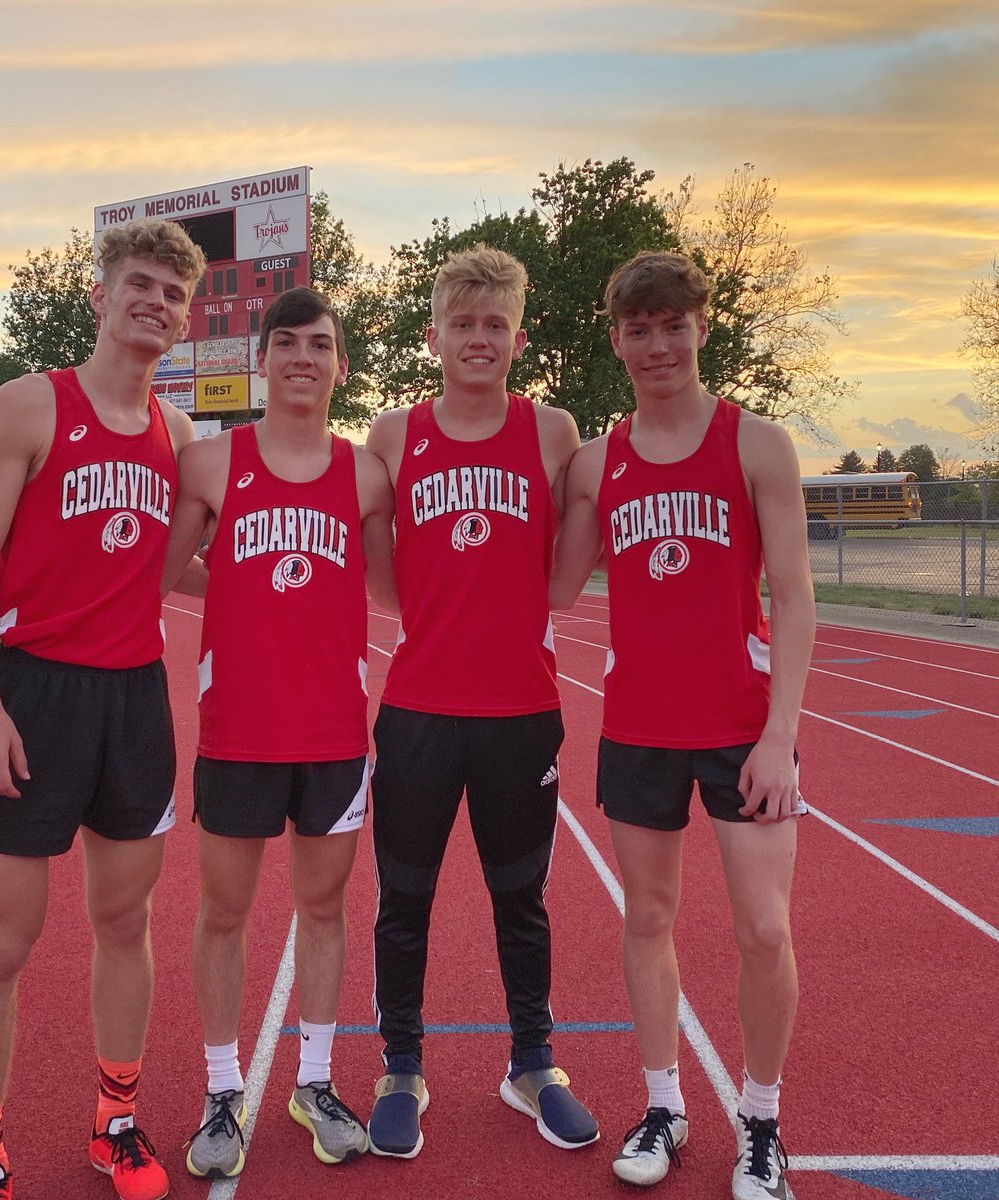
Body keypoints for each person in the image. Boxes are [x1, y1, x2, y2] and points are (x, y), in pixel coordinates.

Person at [0, 218, 207, 1200]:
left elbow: (184, 571)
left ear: (184, 321)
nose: (156, 302)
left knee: (124, 919)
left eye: (174, 294)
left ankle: (116, 1119)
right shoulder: (27, 406)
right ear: (99, 297)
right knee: (4, 937)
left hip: (134, 697)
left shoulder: (177, 434)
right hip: (33, 691)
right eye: (139, 283)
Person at [550, 251, 814, 1199]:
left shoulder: (757, 444)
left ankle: (762, 1121)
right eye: (639, 327)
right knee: (648, 918)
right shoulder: (596, 461)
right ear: (616, 338)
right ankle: (663, 1103)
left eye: (674, 324)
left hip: (744, 729)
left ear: (702, 326)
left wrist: (781, 732)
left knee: (763, 930)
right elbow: (553, 585)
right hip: (638, 725)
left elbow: (793, 595)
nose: (658, 343)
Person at [364, 244, 599, 1158]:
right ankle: (400, 1066)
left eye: (495, 324)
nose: (479, 338)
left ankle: (533, 1063)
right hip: (420, 707)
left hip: (521, 710)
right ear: (434, 335)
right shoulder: (394, 433)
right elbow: (384, 580)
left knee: (521, 897)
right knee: (404, 900)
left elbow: (568, 574)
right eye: (462, 323)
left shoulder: (551, 431)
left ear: (519, 337)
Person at [160, 287, 396, 1180]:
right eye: (287, 341)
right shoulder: (215, 464)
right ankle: (224, 1089)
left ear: (340, 365)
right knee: (223, 912)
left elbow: (393, 592)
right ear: (262, 358)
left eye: (321, 344)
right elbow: (157, 572)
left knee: (325, 909)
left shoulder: (366, 474)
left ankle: (315, 1080)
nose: (303, 356)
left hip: (334, 732)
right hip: (237, 731)